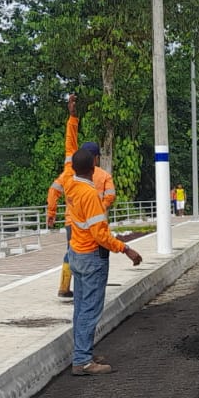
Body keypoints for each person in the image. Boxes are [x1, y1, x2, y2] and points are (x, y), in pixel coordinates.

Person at [63, 146, 142, 375]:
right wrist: (125, 249)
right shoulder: (90, 195)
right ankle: (83, 361)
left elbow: (70, 148)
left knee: (80, 309)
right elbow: (100, 235)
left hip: (76, 254)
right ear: (94, 165)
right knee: (89, 310)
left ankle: (82, 352)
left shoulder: (70, 185)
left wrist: (72, 123)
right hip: (92, 257)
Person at [45, 97, 116, 298]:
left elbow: (53, 190)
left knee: (72, 252)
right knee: (92, 255)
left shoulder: (69, 171)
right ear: (96, 158)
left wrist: (51, 213)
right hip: (95, 221)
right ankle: (84, 289)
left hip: (72, 221)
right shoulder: (103, 175)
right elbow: (110, 196)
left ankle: (65, 286)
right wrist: (99, 208)